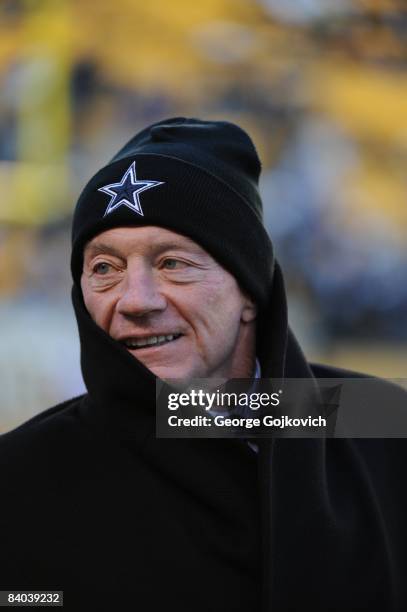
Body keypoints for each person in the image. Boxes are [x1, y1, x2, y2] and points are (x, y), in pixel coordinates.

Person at [1, 117, 406, 612]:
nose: (136, 300)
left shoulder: (379, 420)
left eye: (173, 263)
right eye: (104, 268)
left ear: (250, 291)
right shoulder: (21, 479)